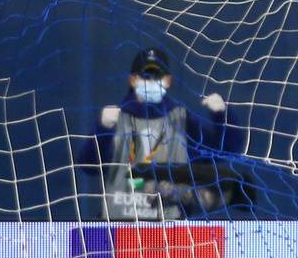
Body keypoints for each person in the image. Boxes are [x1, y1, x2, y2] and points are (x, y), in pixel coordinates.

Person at [78, 47, 237, 217]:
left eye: (158, 77)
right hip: (119, 225)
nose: (152, 82)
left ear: (168, 81)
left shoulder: (181, 120)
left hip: (170, 230)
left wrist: (222, 117)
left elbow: (222, 153)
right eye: (146, 76)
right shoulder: (115, 119)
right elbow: (88, 166)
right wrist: (102, 129)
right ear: (133, 80)